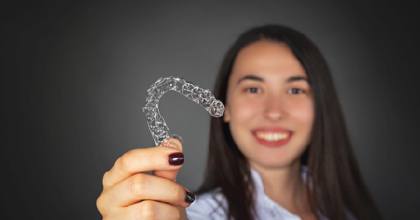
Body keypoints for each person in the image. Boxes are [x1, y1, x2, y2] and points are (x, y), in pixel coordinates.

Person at [96, 24, 382, 220]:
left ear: (321, 106)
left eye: (295, 90)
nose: (274, 111)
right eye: (253, 89)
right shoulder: (196, 216)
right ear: (225, 107)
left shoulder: (347, 210)